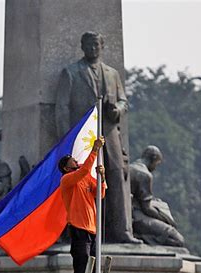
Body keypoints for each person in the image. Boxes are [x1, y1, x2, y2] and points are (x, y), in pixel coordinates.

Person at [56, 31, 142, 244]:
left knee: (115, 178)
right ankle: (80, 230)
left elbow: (123, 101)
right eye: (89, 45)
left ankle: (121, 231)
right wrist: (66, 140)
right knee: (82, 180)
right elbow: (62, 109)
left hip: (109, 134)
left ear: (102, 46)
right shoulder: (71, 73)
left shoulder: (112, 74)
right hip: (83, 136)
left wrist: (118, 110)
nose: (93, 49)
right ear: (82, 47)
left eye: (96, 45)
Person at [58, 136, 106, 273]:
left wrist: (102, 177)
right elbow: (84, 171)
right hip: (78, 227)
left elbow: (99, 193)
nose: (75, 160)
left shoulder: (84, 177)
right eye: (72, 160)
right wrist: (95, 149)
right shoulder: (67, 179)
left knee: (93, 263)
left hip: (92, 228)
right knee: (82, 262)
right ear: (65, 167)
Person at [130, 146, 185, 247]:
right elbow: (147, 208)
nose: (155, 168)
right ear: (153, 159)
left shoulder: (130, 168)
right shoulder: (144, 174)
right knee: (178, 240)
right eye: (156, 164)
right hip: (136, 218)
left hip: (132, 215)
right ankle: (143, 238)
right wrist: (166, 219)